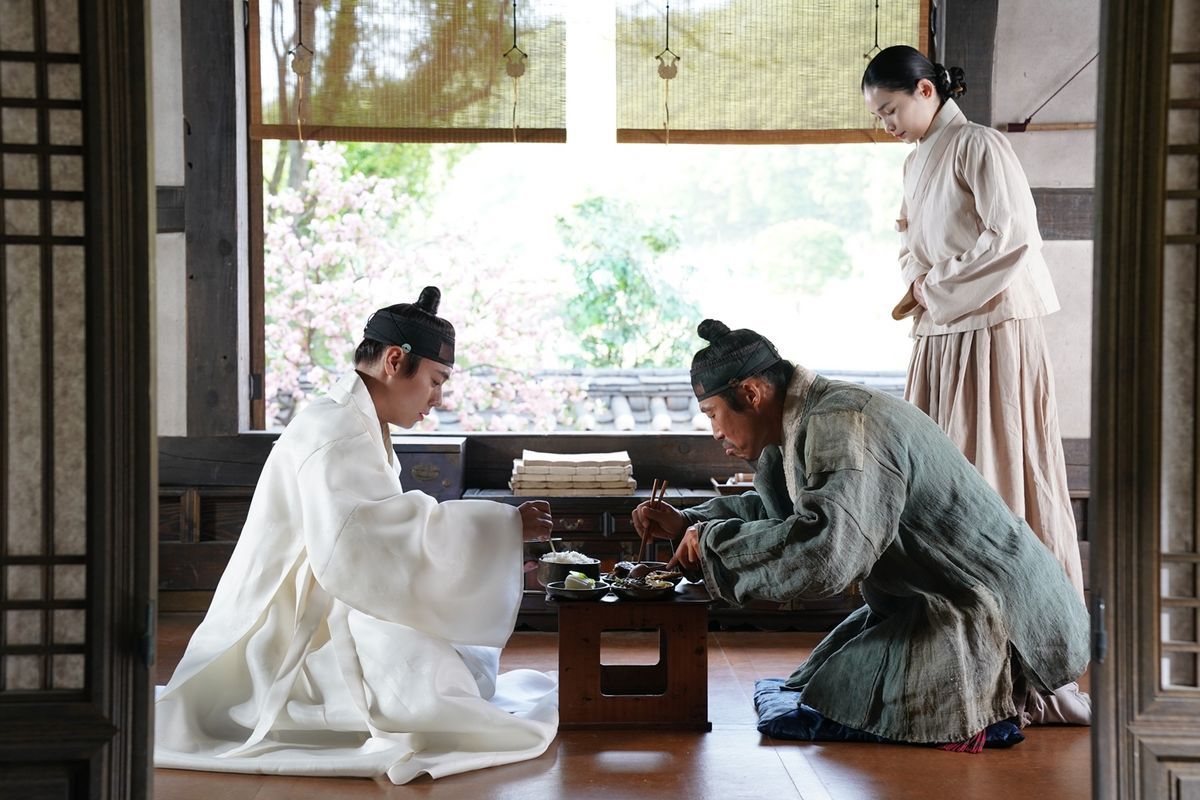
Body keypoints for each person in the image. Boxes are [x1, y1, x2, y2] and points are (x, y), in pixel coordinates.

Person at [155, 287, 559, 784]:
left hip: (339, 589)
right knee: (432, 687)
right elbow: (369, 541)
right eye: (436, 381)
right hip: (296, 621)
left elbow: (378, 534)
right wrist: (503, 527)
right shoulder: (338, 432)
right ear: (395, 361)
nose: (438, 399)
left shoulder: (348, 417)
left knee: (455, 671)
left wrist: (496, 536)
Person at [633, 320, 1091, 750]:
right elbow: (786, 511)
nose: (714, 432)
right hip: (931, 596)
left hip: (989, 608)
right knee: (826, 679)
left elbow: (824, 550)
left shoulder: (843, 423)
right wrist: (687, 523)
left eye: (713, 414)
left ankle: (1025, 690)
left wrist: (712, 543)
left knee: (859, 695)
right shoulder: (804, 422)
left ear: (751, 393)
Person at [861, 45, 1085, 599]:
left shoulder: (979, 144)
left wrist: (934, 286)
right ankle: (949, 602)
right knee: (937, 462)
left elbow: (1011, 235)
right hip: (939, 326)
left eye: (890, 110)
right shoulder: (915, 161)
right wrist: (921, 284)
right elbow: (912, 244)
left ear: (925, 91)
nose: (887, 125)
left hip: (990, 323)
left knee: (994, 457)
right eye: (879, 116)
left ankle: (1017, 601)